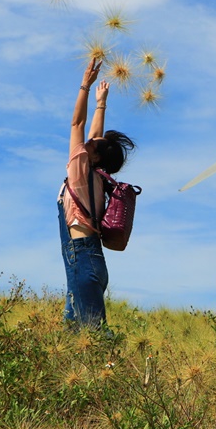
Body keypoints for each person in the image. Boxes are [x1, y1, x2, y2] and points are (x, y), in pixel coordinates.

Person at [57, 57, 135, 329]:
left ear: (95, 155)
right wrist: (102, 103)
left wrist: (85, 86)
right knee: (72, 333)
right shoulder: (98, 177)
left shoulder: (80, 169)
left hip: (82, 258)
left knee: (93, 339)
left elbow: (77, 125)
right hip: (91, 261)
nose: (88, 140)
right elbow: (94, 133)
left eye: (93, 144)